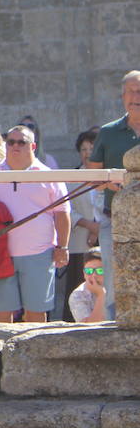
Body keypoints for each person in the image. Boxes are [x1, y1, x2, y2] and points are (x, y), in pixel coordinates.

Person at [0, 126, 70, 323]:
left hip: (39, 254)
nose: (15, 146)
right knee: (0, 315)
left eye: (21, 142)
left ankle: (36, 354)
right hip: (1, 254)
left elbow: (63, 213)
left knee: (36, 313)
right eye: (11, 142)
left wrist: (63, 247)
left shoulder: (49, 175)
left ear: (32, 146)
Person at [84, 70, 140, 321]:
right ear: (122, 96)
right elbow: (93, 180)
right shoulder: (108, 132)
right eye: (130, 90)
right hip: (114, 220)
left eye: (139, 91)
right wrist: (112, 184)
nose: (135, 96)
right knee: (115, 281)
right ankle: (113, 332)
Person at [61, 128, 101, 320]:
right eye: (83, 149)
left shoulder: (108, 176)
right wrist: (89, 225)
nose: (87, 153)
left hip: (105, 238)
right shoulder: (73, 178)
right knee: (77, 283)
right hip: (79, 242)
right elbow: (68, 208)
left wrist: (98, 227)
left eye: (91, 148)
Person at [67, 250, 107, 323]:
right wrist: (101, 296)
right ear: (84, 273)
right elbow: (89, 328)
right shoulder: (78, 295)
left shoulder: (119, 287)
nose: (94, 275)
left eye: (100, 271)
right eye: (89, 271)